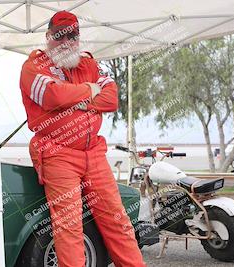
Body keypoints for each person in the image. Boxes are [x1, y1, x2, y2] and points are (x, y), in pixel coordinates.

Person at [19, 10, 146, 267]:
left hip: (94, 154)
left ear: (78, 38)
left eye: (72, 36)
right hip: (58, 154)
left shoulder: (88, 63)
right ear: (48, 36)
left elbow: (111, 99)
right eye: (59, 36)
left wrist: (74, 100)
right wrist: (89, 91)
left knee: (118, 222)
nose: (66, 42)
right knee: (69, 229)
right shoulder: (33, 67)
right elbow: (53, 96)